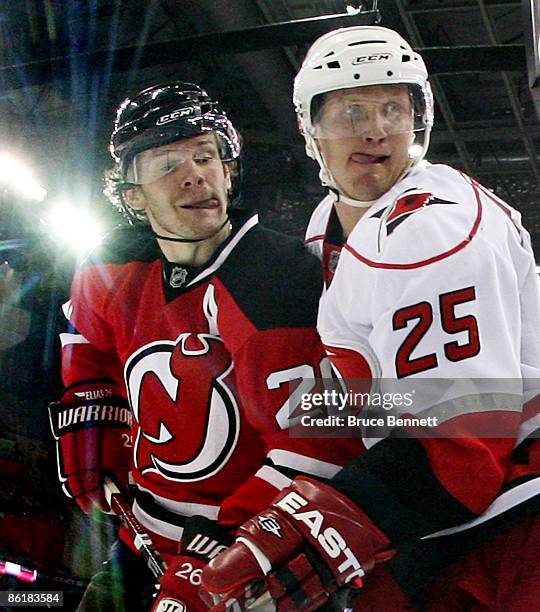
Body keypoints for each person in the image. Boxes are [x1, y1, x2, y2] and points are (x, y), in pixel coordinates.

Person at [201, 26, 540, 611]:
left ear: (419, 121)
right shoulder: (329, 227)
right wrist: (257, 501)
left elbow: (463, 450)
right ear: (311, 130)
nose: (376, 129)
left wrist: (309, 529)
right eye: (351, 110)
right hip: (458, 509)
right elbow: (392, 405)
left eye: (393, 108)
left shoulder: (432, 230)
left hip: (515, 513)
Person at [47, 82, 361, 611]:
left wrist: (233, 546)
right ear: (131, 195)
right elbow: (91, 345)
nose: (196, 173)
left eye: (206, 155)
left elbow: (314, 446)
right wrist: (91, 412)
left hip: (244, 552)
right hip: (139, 541)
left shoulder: (275, 277)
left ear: (228, 170)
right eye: (168, 162)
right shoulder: (111, 265)